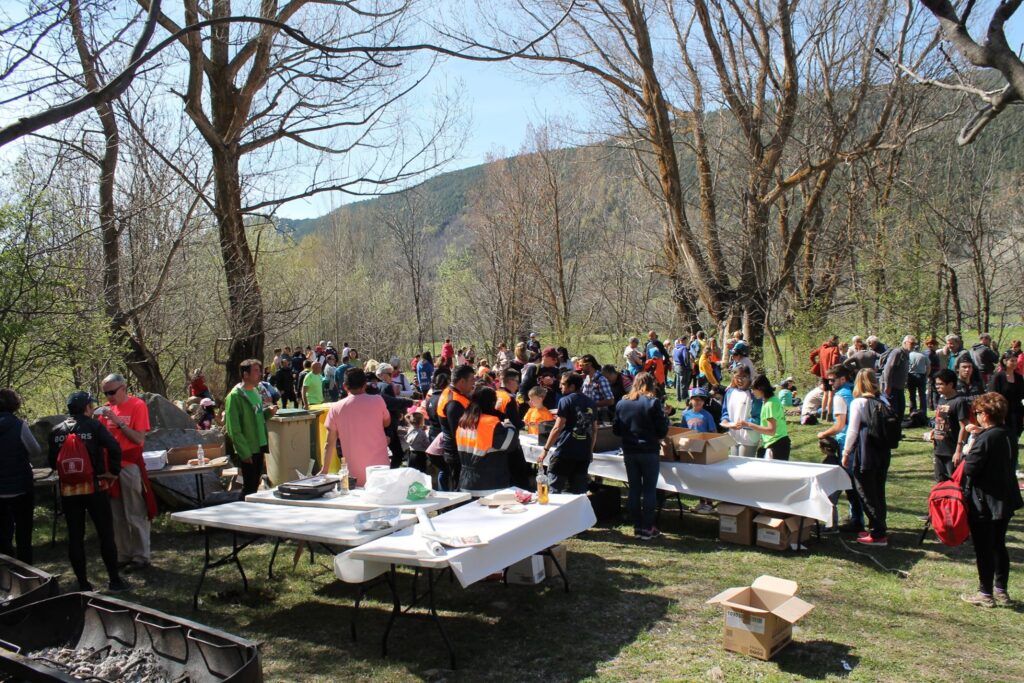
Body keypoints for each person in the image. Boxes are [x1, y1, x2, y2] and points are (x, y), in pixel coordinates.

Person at [49, 391, 128, 592]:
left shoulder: (56, 430)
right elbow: (115, 447)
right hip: (95, 487)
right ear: (86, 408)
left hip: (68, 491)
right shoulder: (94, 426)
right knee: (105, 534)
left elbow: (52, 462)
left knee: (75, 537)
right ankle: (115, 581)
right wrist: (113, 472)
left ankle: (83, 584)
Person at [959, 392, 1023, 607]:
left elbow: (970, 467)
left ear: (985, 415)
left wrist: (971, 446)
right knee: (998, 544)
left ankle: (985, 593)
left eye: (977, 413)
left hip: (984, 500)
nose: (975, 416)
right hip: (1004, 496)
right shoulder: (1007, 433)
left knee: (984, 547)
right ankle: (1001, 590)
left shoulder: (986, 437)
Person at [95, 374, 155, 572]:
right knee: (117, 513)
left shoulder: (137, 405)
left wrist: (118, 422)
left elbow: (138, 438)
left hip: (129, 464)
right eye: (106, 393)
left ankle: (141, 556)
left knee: (135, 510)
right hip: (110, 466)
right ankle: (123, 553)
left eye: (112, 392)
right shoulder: (106, 409)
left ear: (124, 388)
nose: (109, 397)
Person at [613, 372, 669, 540]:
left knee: (634, 489)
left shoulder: (622, 403)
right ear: (651, 385)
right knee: (649, 489)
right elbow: (662, 431)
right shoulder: (653, 403)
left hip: (630, 450)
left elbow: (616, 430)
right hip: (649, 450)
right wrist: (665, 418)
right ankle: (647, 527)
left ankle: (638, 527)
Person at [841, 369, 891, 546]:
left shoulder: (859, 403)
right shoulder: (883, 400)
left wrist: (846, 452)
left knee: (865, 492)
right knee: (878, 491)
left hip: (866, 453)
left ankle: (878, 534)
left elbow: (853, 430)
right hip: (883, 452)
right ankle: (878, 527)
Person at [320, 368, 390, 485]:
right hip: (381, 472)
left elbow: (329, 443)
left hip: (354, 476)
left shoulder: (336, 408)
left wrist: (324, 470)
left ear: (344, 386)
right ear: (365, 385)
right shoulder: (378, 400)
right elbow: (386, 422)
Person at [817, 365, 864, 532]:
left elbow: (839, 425)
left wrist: (823, 433)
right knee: (857, 483)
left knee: (848, 483)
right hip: (861, 441)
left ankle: (856, 521)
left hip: (847, 443)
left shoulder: (840, 396)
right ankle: (857, 518)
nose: (830, 383)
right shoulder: (856, 391)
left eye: (832, 380)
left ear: (843, 379)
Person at [224, 359, 278, 495]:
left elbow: (257, 418)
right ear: (245, 374)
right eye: (255, 371)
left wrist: (268, 413)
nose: (259, 374)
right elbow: (233, 428)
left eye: (259, 371)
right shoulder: (235, 397)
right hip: (248, 449)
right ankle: (242, 513)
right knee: (248, 488)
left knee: (254, 486)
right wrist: (244, 452)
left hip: (260, 445)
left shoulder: (255, 391)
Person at [539, 373, 596, 494]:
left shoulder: (565, 400)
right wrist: (590, 451)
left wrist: (545, 449)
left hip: (565, 451)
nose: (560, 386)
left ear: (572, 386)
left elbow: (557, 427)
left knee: (555, 489)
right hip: (583, 452)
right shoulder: (591, 402)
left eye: (563, 384)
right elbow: (594, 429)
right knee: (579, 493)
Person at [455, 386, 518, 495]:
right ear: (492, 403)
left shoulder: (463, 423)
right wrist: (509, 425)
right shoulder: (490, 423)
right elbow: (510, 443)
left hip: (466, 482)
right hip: (490, 484)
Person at [0, 389, 39, 563]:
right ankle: (27, 568)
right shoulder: (19, 425)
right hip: (21, 487)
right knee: (24, 532)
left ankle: (6, 570)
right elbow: (35, 449)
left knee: (3, 533)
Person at [437, 365, 475, 491]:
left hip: (456, 450)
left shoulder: (452, 392)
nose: (473, 384)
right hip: (457, 452)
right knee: (459, 488)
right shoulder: (454, 403)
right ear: (462, 381)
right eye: (471, 381)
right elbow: (458, 433)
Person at [931, 368, 971, 483]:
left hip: (952, 451)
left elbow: (964, 427)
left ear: (951, 384)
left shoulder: (959, 402)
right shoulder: (941, 400)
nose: (937, 387)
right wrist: (934, 431)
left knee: (956, 484)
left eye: (940, 384)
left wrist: (958, 451)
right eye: (936, 384)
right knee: (940, 484)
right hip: (939, 449)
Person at [741, 375, 790, 460]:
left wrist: (748, 424)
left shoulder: (769, 404)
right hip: (776, 443)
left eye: (753, 389)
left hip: (777, 445)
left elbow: (771, 431)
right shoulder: (771, 400)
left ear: (761, 389)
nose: (752, 392)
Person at [720, 369, 758, 458]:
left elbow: (758, 417)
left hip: (749, 437)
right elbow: (725, 412)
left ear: (749, 378)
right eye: (737, 377)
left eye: (744, 377)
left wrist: (744, 424)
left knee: (745, 467)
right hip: (733, 435)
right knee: (735, 464)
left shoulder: (754, 394)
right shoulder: (729, 392)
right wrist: (725, 422)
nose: (740, 380)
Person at [988, 351, 1023, 440]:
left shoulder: (1019, 377)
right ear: (1004, 361)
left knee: (1015, 438)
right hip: (1003, 414)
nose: (1014, 363)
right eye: (1012, 361)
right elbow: (993, 396)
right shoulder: (998, 377)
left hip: (1017, 414)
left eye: (1016, 360)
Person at [881, 335, 912, 420]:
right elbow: (888, 369)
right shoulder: (897, 352)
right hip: (892, 388)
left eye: (914, 344)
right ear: (905, 343)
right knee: (893, 411)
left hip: (899, 388)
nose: (913, 346)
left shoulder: (906, 354)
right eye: (911, 343)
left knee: (900, 410)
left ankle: (897, 430)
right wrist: (888, 386)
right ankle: (893, 430)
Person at [907, 340, 929, 417]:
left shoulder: (909, 355)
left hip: (911, 376)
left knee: (912, 395)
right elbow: (929, 367)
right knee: (922, 395)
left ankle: (913, 411)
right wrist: (926, 375)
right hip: (921, 376)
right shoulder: (923, 356)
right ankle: (923, 412)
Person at [672, 337, 691, 402]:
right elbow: (685, 358)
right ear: (683, 341)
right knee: (683, 383)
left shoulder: (675, 348)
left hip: (676, 366)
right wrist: (687, 366)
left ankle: (678, 397)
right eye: (686, 341)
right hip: (682, 367)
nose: (686, 342)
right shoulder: (684, 348)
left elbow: (673, 357)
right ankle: (684, 397)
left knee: (678, 383)